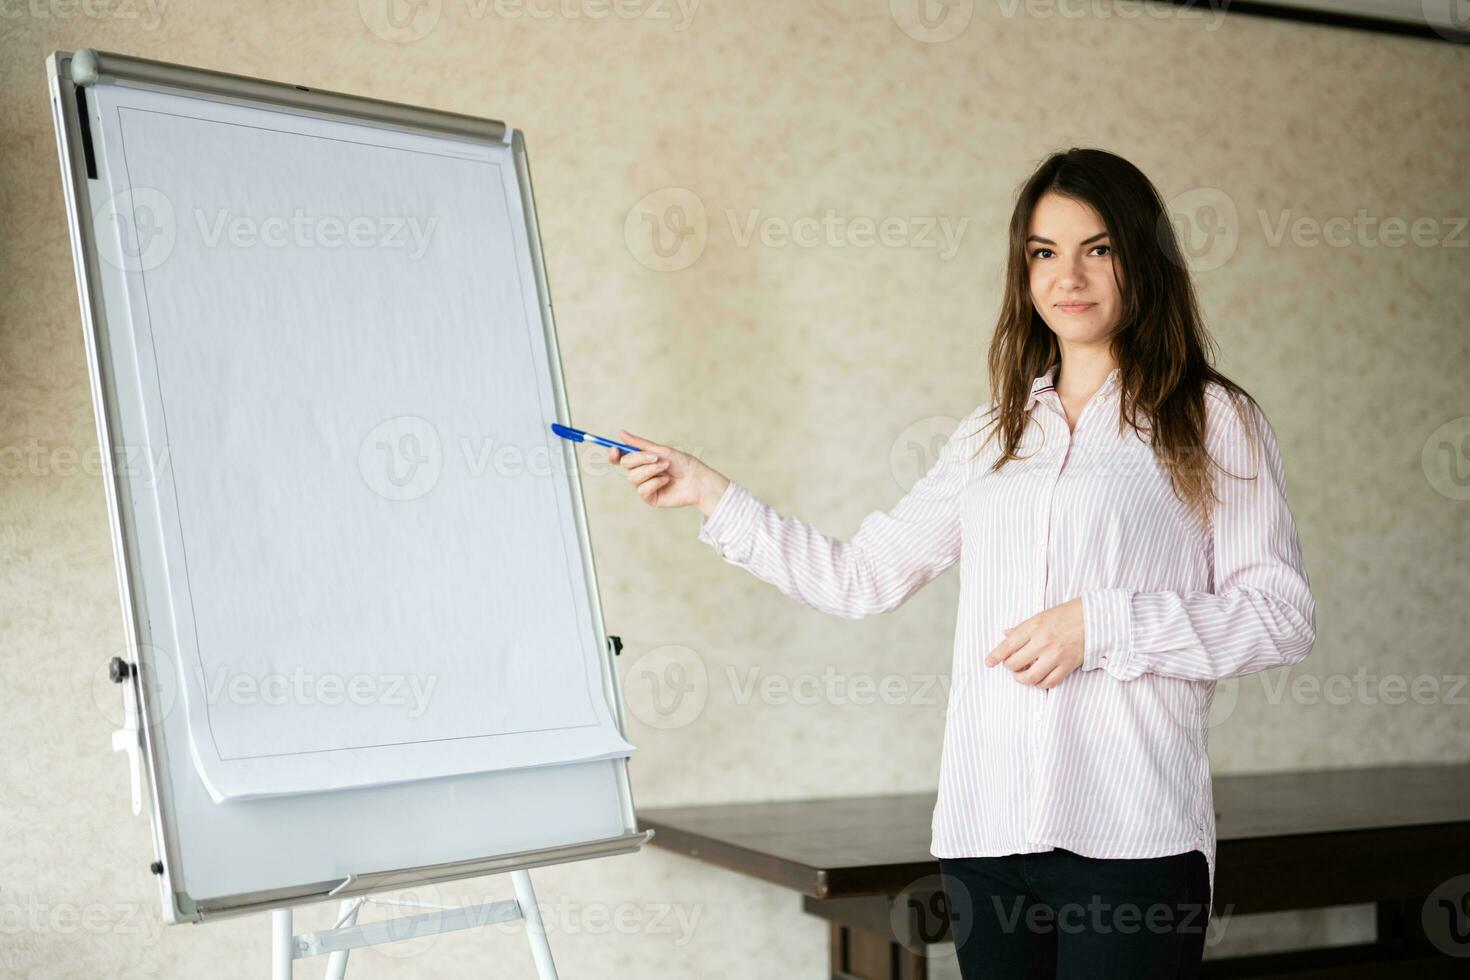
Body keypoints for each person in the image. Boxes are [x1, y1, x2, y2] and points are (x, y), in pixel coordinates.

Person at [604, 147, 1316, 978]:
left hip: (1134, 836)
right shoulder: (992, 434)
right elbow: (861, 578)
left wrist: (1104, 624)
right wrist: (709, 493)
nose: (1069, 276)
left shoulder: (1212, 419)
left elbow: (1280, 616)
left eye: (1099, 248)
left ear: (1142, 258)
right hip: (988, 839)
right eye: (1044, 253)